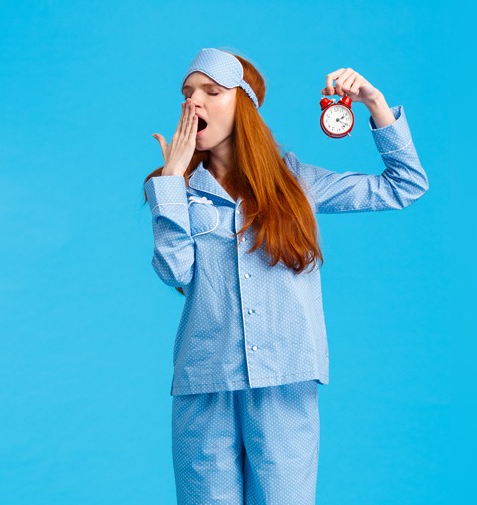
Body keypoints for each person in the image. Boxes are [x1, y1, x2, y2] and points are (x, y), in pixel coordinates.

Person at [143, 47, 429, 505]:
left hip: (285, 381)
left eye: (211, 92)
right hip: (205, 384)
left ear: (244, 106)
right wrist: (172, 184)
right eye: (186, 93)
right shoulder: (176, 191)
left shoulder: (297, 182)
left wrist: (375, 104)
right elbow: (174, 271)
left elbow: (404, 185)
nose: (192, 102)